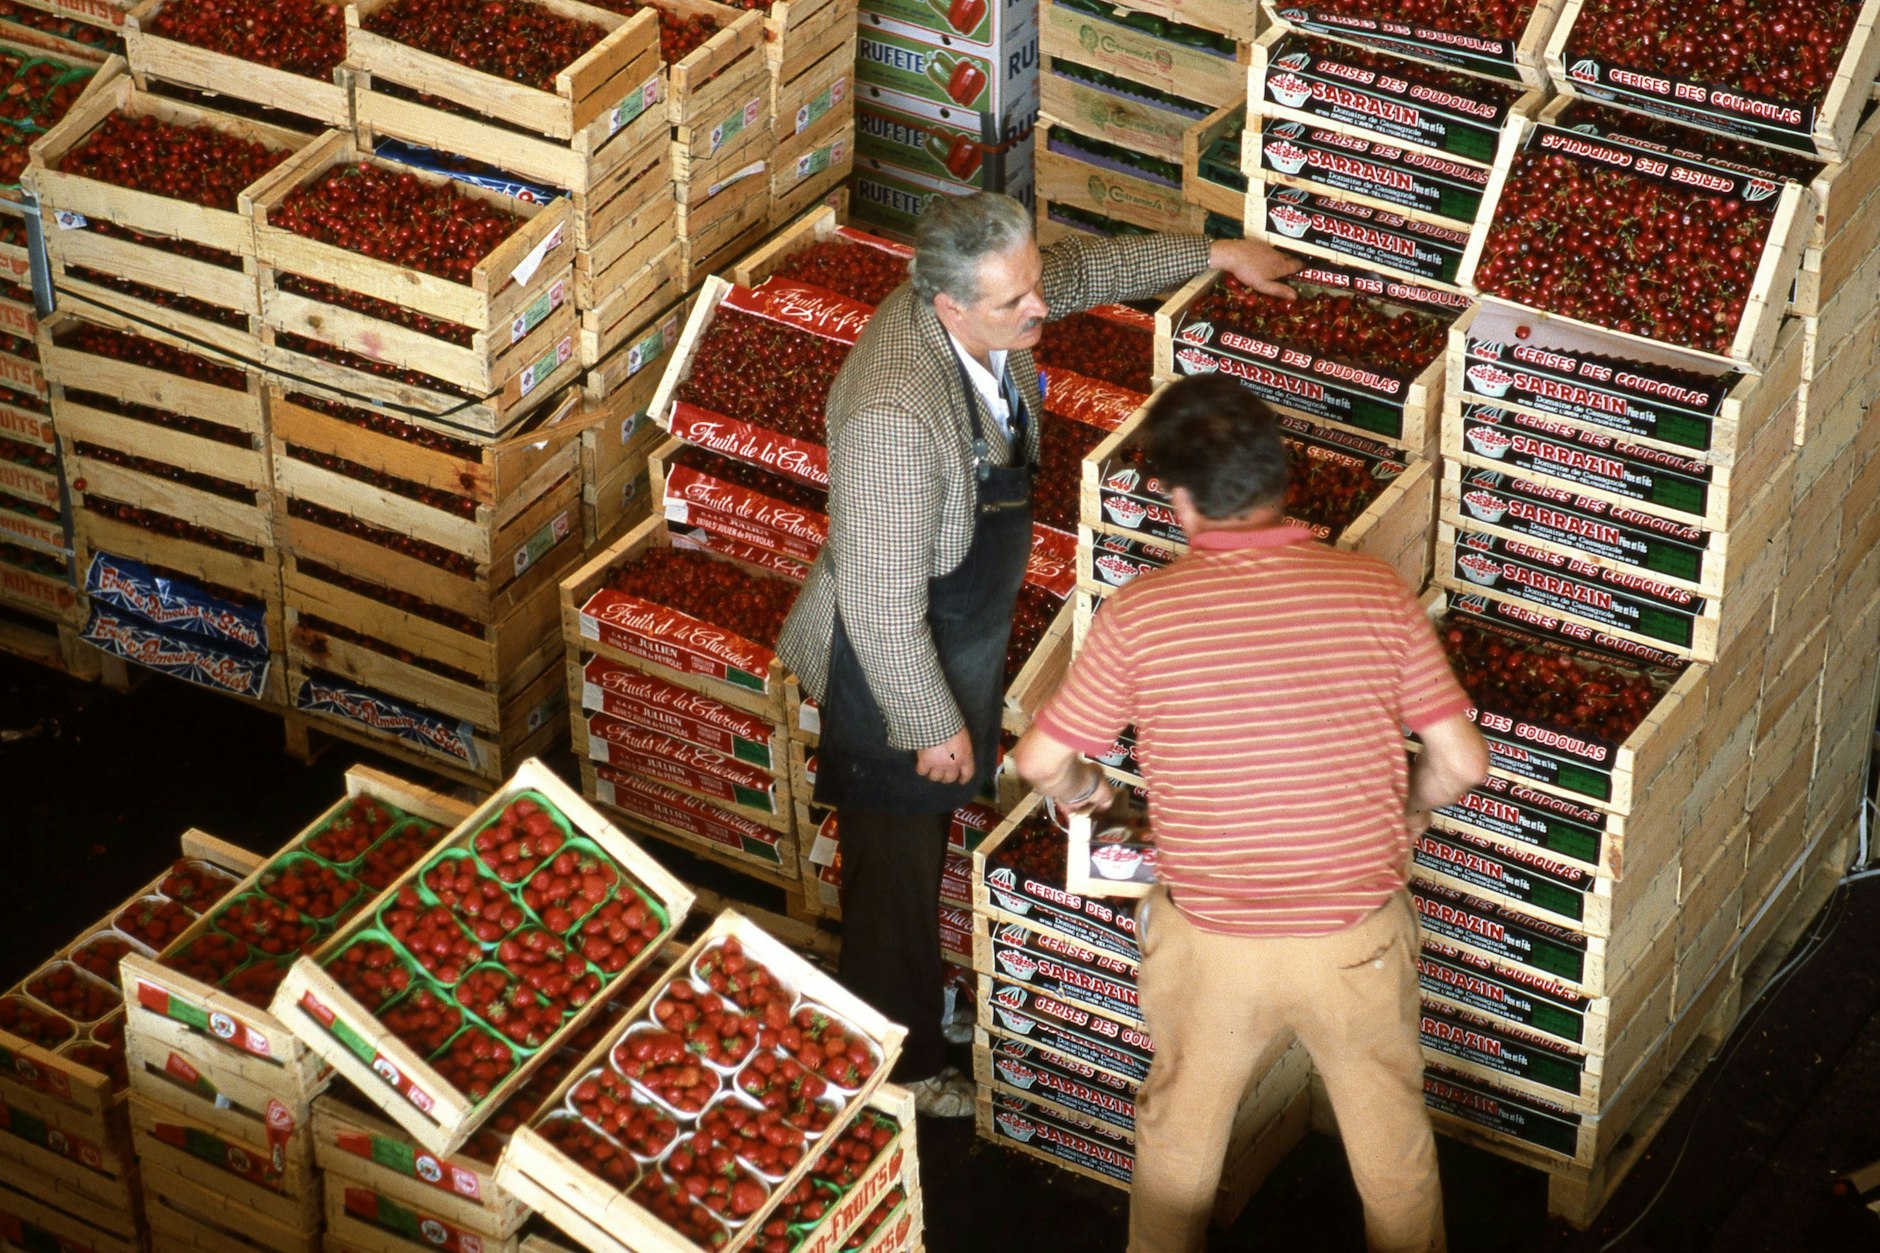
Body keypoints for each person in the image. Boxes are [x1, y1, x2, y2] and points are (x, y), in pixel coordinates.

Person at [776, 193, 1300, 1118]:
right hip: (890, 664)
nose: (1040, 309)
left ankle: (914, 1003)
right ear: (950, 307)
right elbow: (879, 600)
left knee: (927, 834)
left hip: (954, 623)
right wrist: (930, 724)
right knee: (893, 862)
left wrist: (1216, 254)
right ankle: (898, 1064)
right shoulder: (896, 415)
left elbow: (1084, 274)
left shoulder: (988, 301)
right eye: (1016, 302)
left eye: (1030, 288)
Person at [1011, 374, 1489, 1251]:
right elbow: (1462, 762)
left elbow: (1040, 761)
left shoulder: (1141, 613)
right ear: (1281, 481)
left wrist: (1096, 801)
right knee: (1389, 1139)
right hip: (1355, 937)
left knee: (1180, 1135)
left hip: (1211, 940)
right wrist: (1407, 809)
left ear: (1177, 497)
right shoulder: (1376, 591)